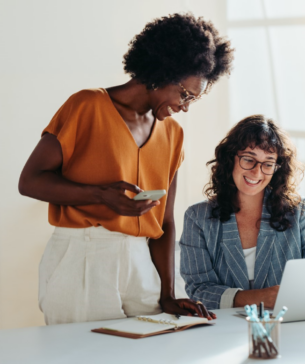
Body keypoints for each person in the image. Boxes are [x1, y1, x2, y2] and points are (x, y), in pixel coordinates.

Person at [18, 13, 234, 324]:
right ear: (163, 72)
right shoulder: (87, 106)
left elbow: (165, 222)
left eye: (193, 100)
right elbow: (30, 181)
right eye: (185, 94)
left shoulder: (173, 134)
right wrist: (100, 195)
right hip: (83, 255)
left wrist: (168, 294)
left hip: (140, 261)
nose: (185, 106)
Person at [179, 115, 305, 310]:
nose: (257, 172)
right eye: (249, 159)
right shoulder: (197, 218)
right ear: (230, 158)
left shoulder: (300, 212)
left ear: (277, 168)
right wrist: (257, 297)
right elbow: (199, 290)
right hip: (223, 329)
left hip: (288, 325)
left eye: (268, 163)